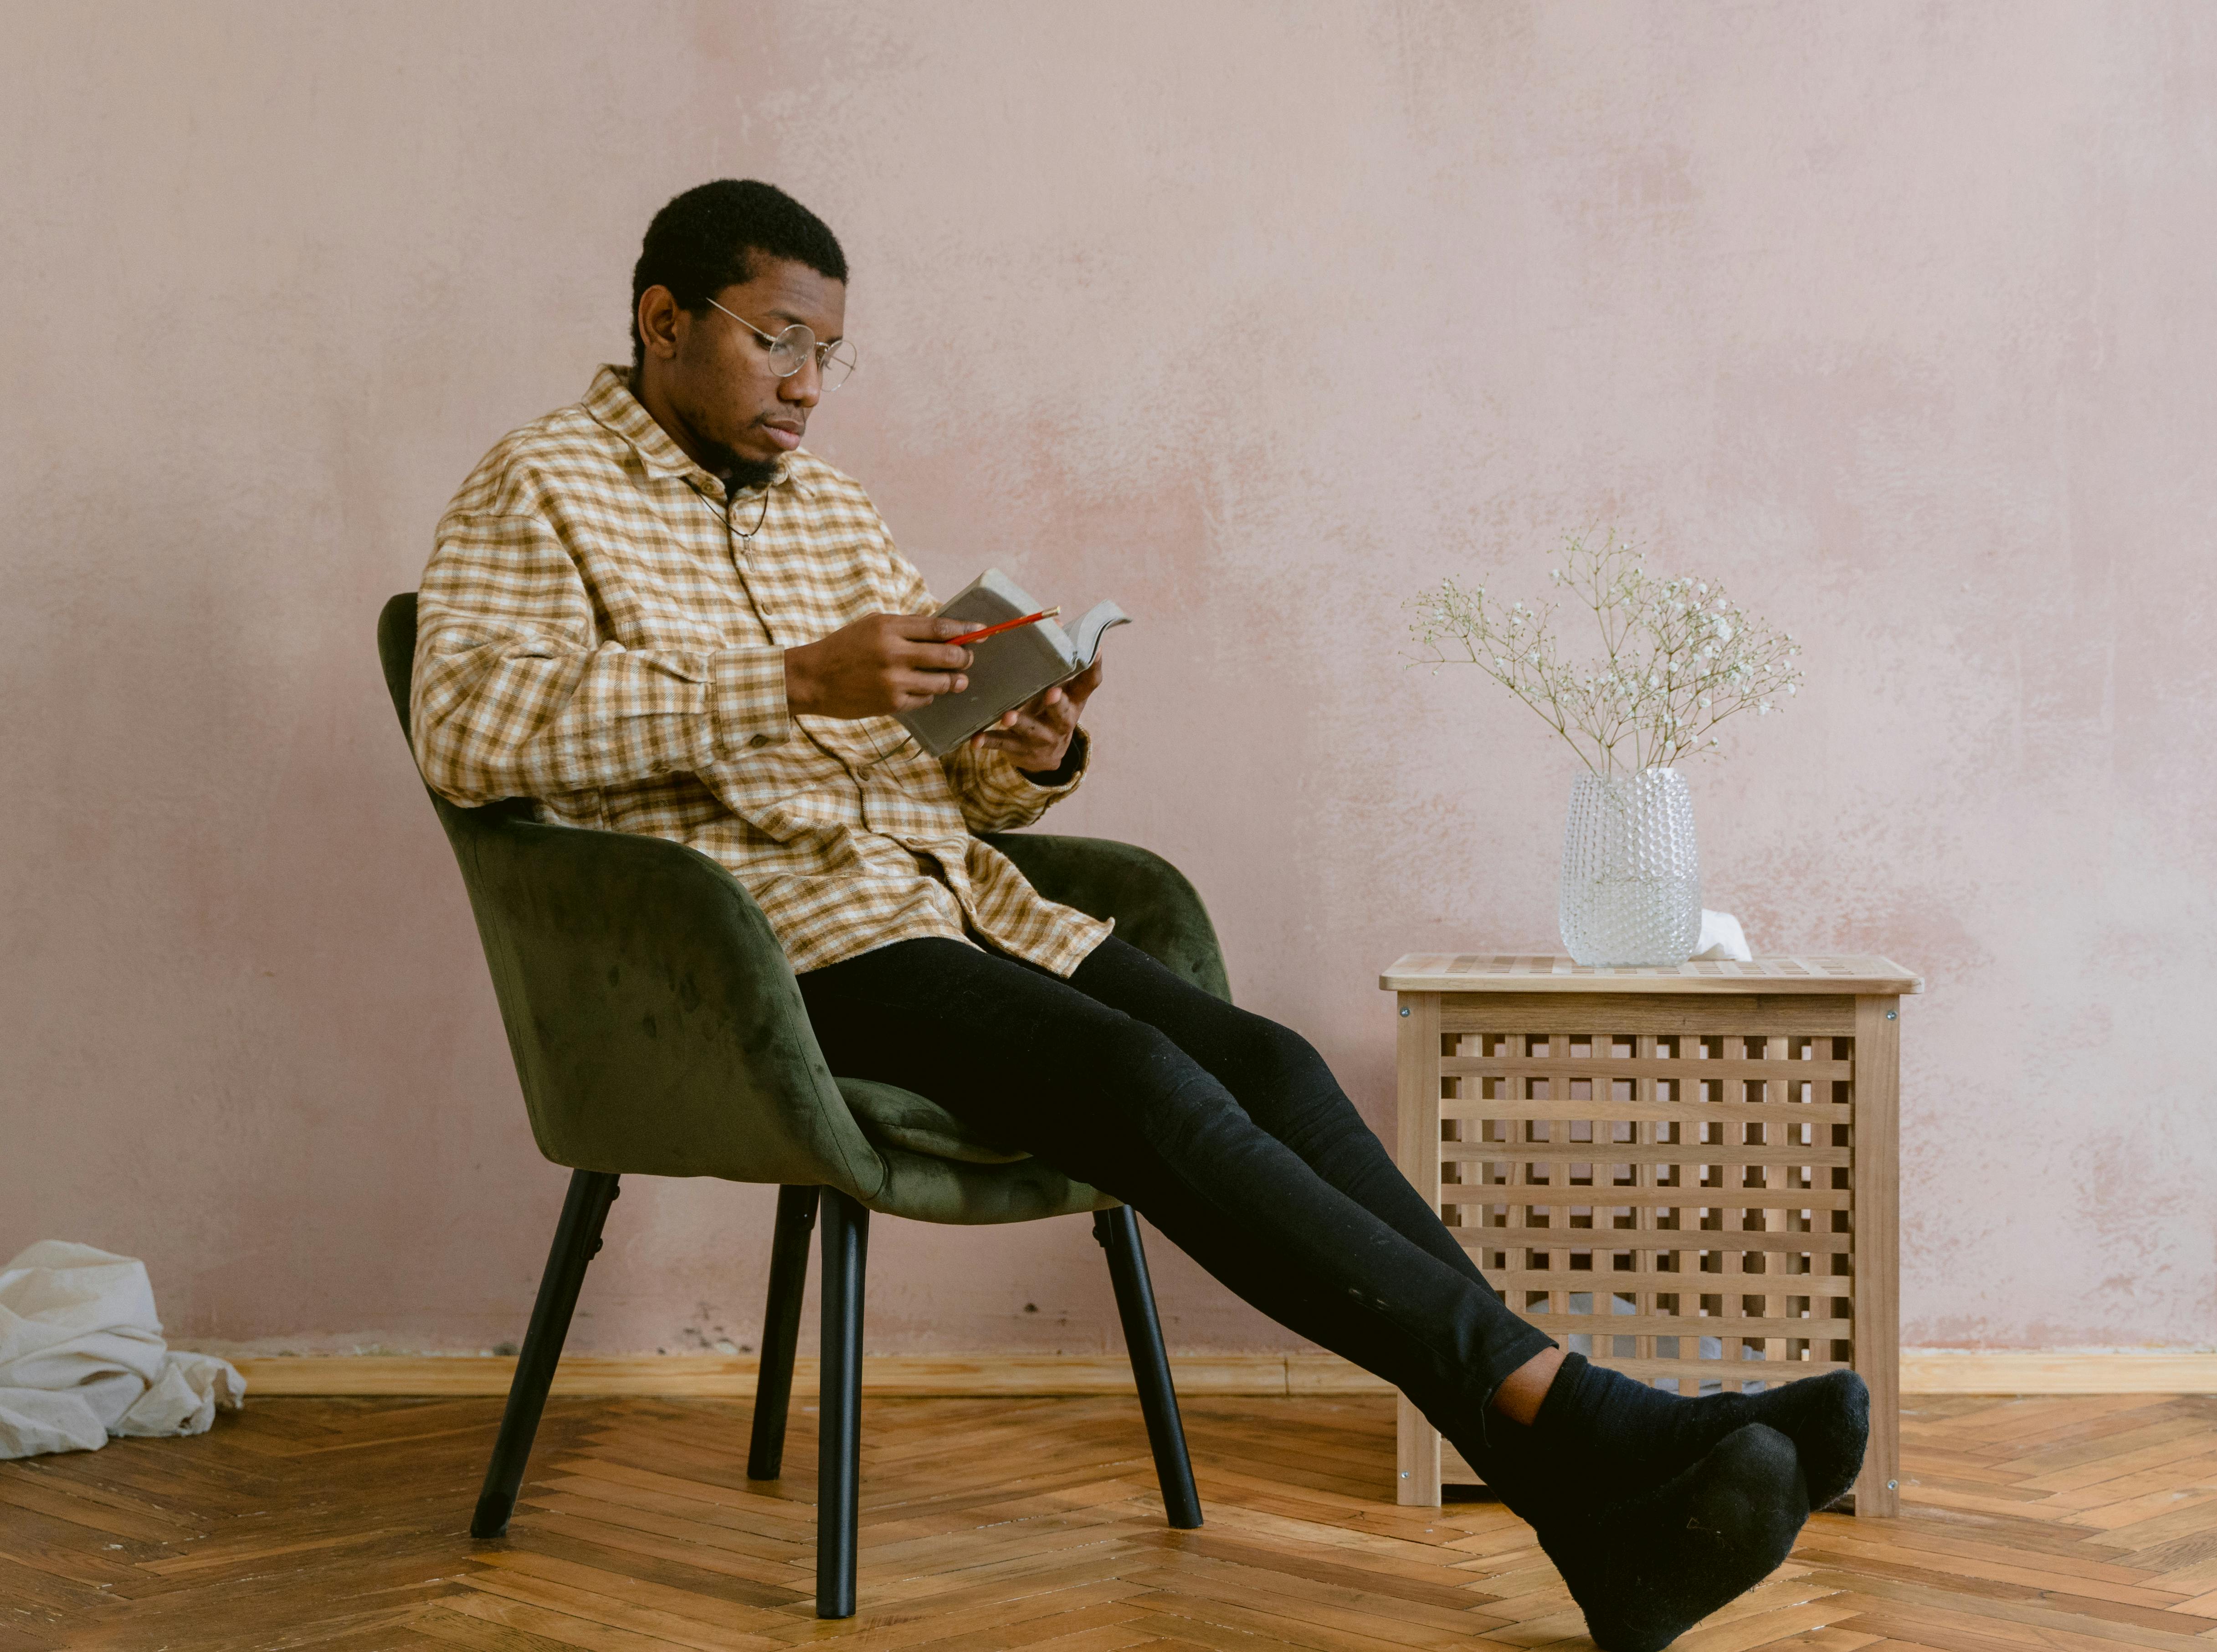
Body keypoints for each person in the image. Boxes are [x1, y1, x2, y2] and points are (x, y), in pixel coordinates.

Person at [410, 178, 1867, 1652]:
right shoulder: (535, 486)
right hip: (772, 958)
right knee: (1138, 1085)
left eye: (829, 354)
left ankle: (1582, 1467)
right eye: (777, 340)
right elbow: (464, 723)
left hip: (954, 904)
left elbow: (918, 763)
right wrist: (786, 680)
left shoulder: (830, 513)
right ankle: (1599, 1439)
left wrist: (1015, 746)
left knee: (1279, 1066)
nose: (806, 385)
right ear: (665, 321)